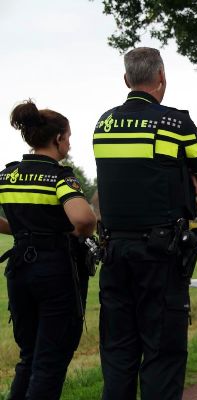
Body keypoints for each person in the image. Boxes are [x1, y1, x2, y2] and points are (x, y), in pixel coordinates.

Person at [94, 47, 197, 400]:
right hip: (160, 256)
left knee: (117, 353)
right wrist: (182, 175)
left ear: (126, 79)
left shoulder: (104, 124)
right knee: (162, 353)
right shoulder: (177, 123)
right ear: (161, 77)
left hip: (114, 252)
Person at [0, 100, 96, 399]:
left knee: (28, 357)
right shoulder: (59, 176)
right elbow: (83, 219)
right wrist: (70, 230)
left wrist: (24, 230)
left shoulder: (8, 175)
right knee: (50, 360)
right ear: (57, 139)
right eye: (68, 137)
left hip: (19, 269)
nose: (68, 144)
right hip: (55, 269)